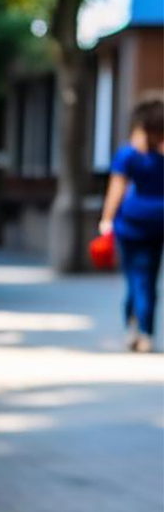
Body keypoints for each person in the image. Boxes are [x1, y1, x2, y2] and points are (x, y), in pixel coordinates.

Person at [99, 97, 164, 353]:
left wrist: (106, 219)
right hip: (158, 223)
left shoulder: (127, 155)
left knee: (134, 277)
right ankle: (146, 331)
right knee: (149, 278)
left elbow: (116, 189)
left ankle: (133, 326)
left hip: (131, 223)